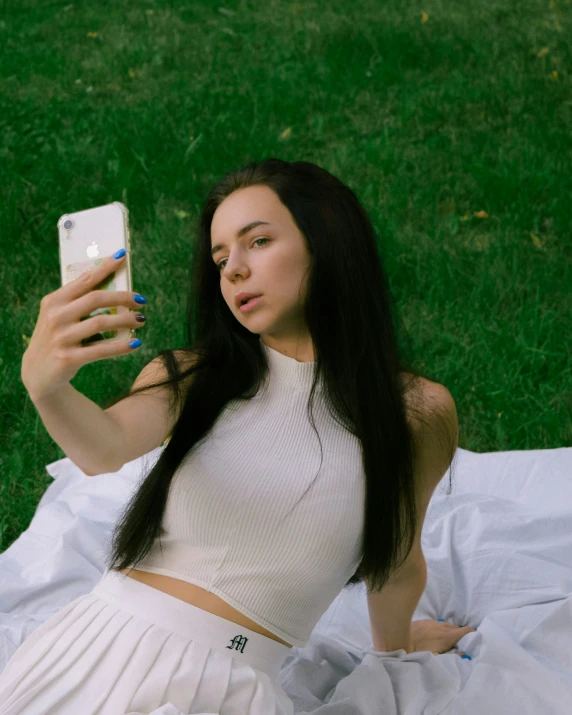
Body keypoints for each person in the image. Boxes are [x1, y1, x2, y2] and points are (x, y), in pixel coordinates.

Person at [1, 159, 470, 714]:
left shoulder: (415, 412)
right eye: (221, 258)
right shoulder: (196, 375)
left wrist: (397, 651)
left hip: (237, 688)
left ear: (328, 241)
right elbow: (102, 449)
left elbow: (396, 555)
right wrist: (45, 387)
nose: (233, 271)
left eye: (259, 241)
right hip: (96, 653)